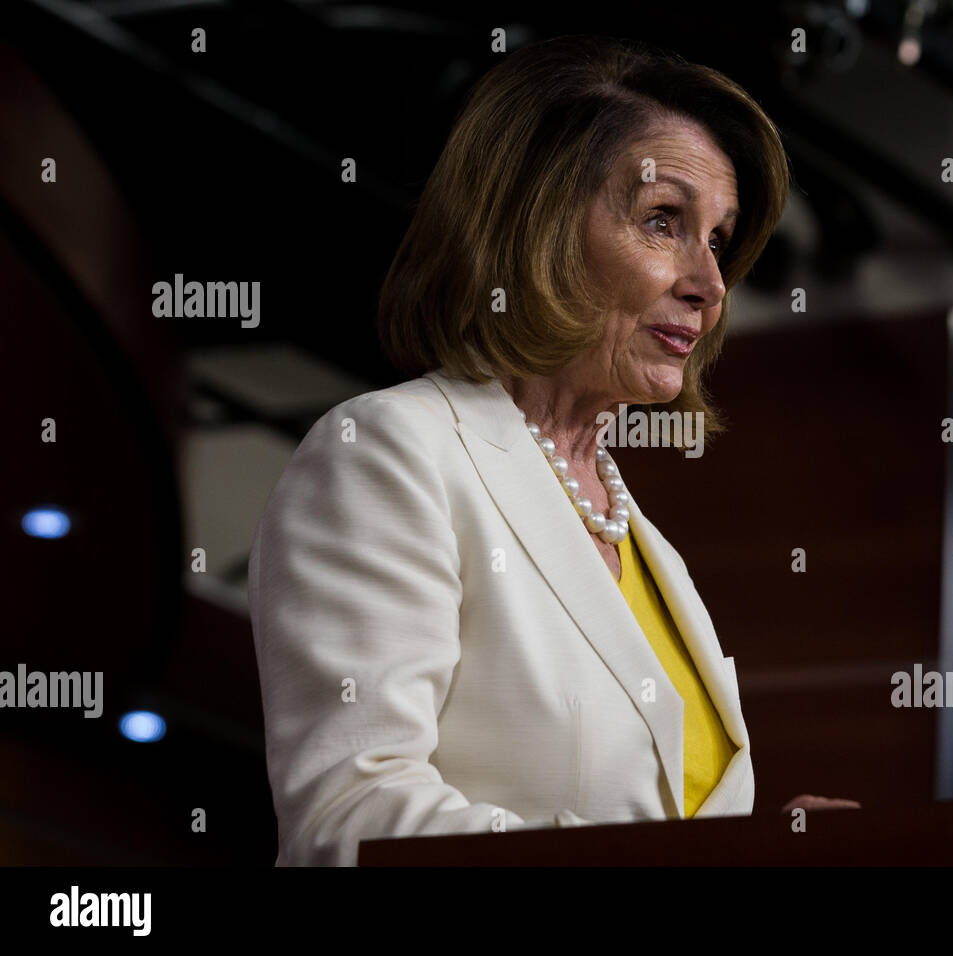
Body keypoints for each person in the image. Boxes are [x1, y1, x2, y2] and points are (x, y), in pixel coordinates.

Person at [248, 34, 857, 867]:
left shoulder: (642, 539)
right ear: (537, 231)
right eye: (662, 222)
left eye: (717, 239)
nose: (709, 284)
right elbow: (349, 823)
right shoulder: (391, 454)